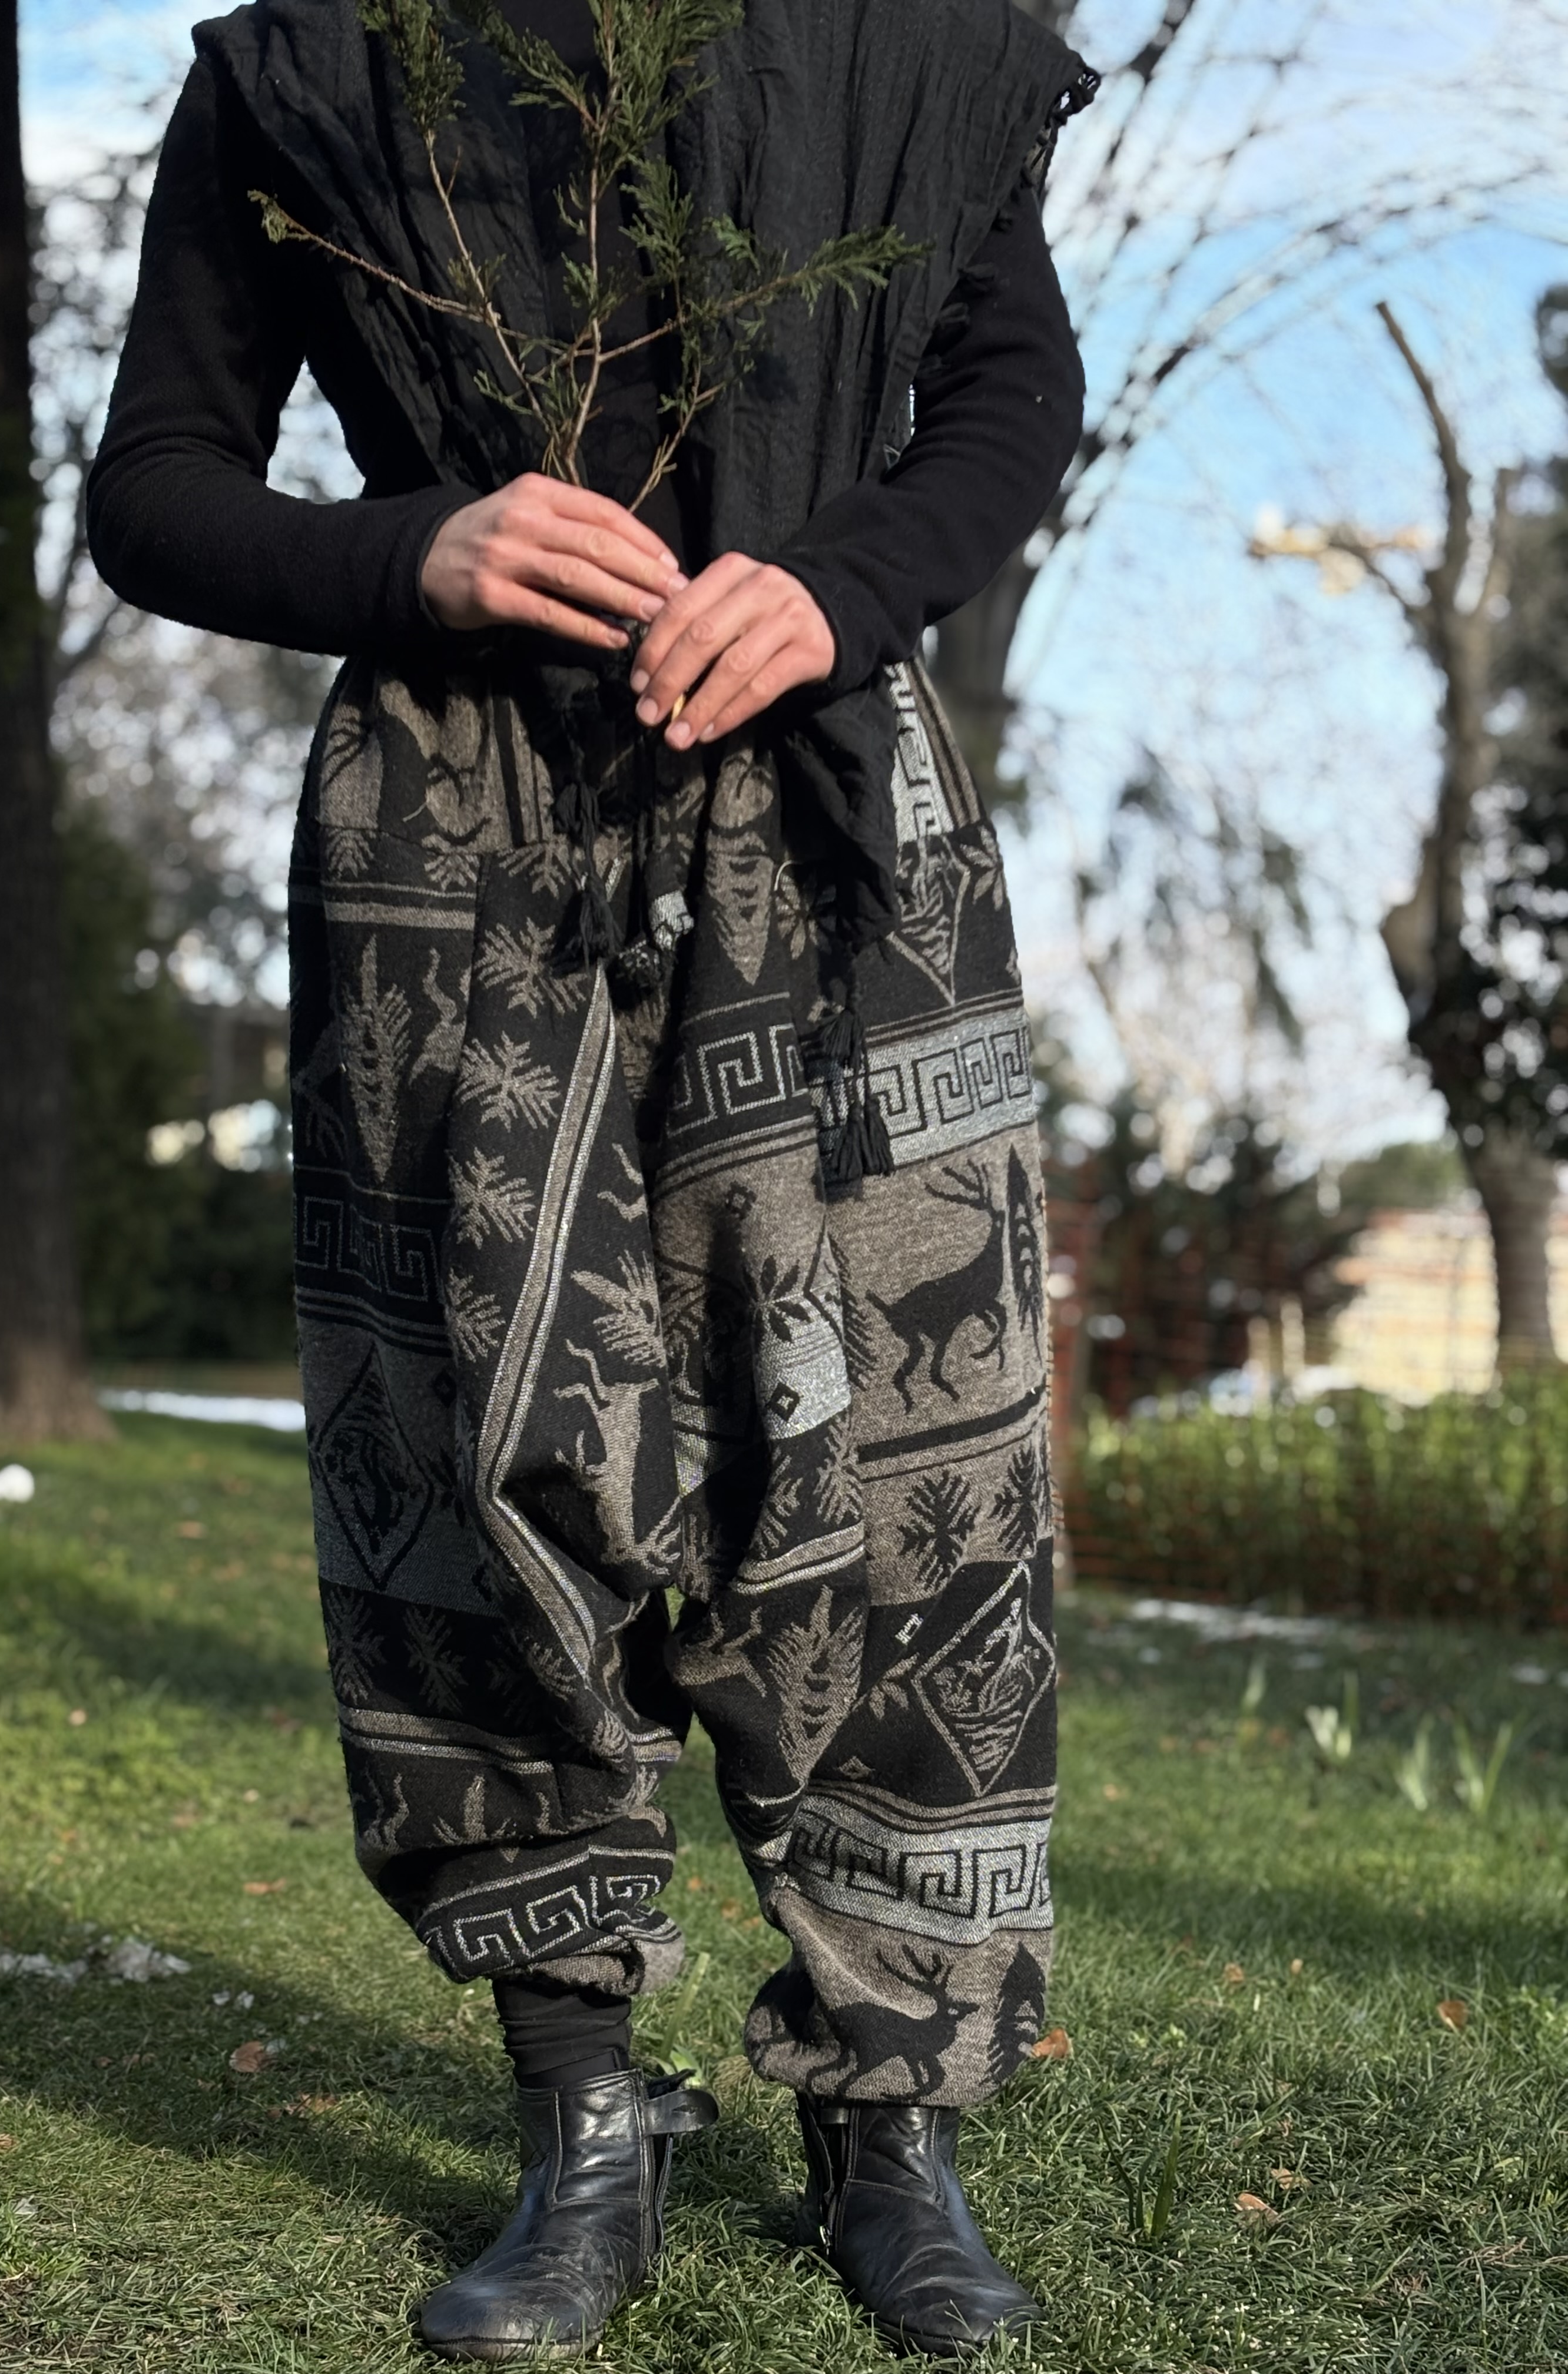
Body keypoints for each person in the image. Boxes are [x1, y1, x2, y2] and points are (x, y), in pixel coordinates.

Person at [89, 0, 1095, 2358]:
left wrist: (843, 584)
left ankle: (893, 2122)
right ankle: (583, 2111)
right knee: (487, 1454)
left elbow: (1009, 393)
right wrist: (413, 549)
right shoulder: (311, 65)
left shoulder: (901, 43)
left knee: (908, 1470)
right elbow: (152, 485)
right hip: (454, 845)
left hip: (827, 824)